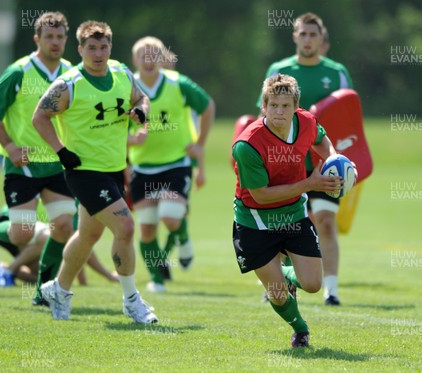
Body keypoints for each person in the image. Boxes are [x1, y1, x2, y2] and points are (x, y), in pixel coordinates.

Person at [32, 20, 157, 323]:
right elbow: (40, 117)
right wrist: (61, 151)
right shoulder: (68, 84)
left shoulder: (121, 73)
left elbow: (142, 97)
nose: (98, 53)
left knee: (88, 234)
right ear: (80, 49)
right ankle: (131, 300)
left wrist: (141, 110)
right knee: (125, 228)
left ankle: (59, 290)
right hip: (83, 171)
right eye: (92, 47)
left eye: (103, 47)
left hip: (115, 169)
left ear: (110, 47)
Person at [233, 74, 343, 347]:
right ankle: (300, 328)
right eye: (273, 105)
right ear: (264, 105)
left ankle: (288, 275)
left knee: (314, 284)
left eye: (285, 105)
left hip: (293, 216)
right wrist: (310, 183)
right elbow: (261, 195)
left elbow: (321, 137)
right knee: (278, 293)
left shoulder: (305, 121)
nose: (279, 111)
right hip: (254, 221)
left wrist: (333, 159)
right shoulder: (248, 145)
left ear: (296, 106)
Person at [258, 12, 353, 306]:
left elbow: (349, 113)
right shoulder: (279, 70)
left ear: (321, 39)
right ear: (294, 37)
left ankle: (331, 289)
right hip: (286, 166)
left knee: (325, 222)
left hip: (325, 166)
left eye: (313, 34)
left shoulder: (336, 72)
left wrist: (343, 154)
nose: (308, 39)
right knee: (284, 227)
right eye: (303, 34)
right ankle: (281, 279)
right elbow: (264, 113)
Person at [0, 11, 77, 304]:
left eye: (60, 37)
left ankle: (43, 291)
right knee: (21, 234)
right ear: (37, 38)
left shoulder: (72, 73)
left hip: (58, 164)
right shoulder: (18, 72)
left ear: (67, 39)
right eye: (49, 36)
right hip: (23, 165)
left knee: (64, 228)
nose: (55, 42)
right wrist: (10, 146)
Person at [128, 36, 215, 292]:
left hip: (175, 163)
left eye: (154, 53)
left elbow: (207, 106)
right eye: (143, 54)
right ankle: (156, 279)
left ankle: (184, 238)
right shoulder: (126, 85)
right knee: (146, 229)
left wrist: (199, 144)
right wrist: (130, 140)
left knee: (170, 216)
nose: (148, 58)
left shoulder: (178, 84)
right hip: (142, 167)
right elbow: (114, 124)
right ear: (134, 59)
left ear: (161, 58)